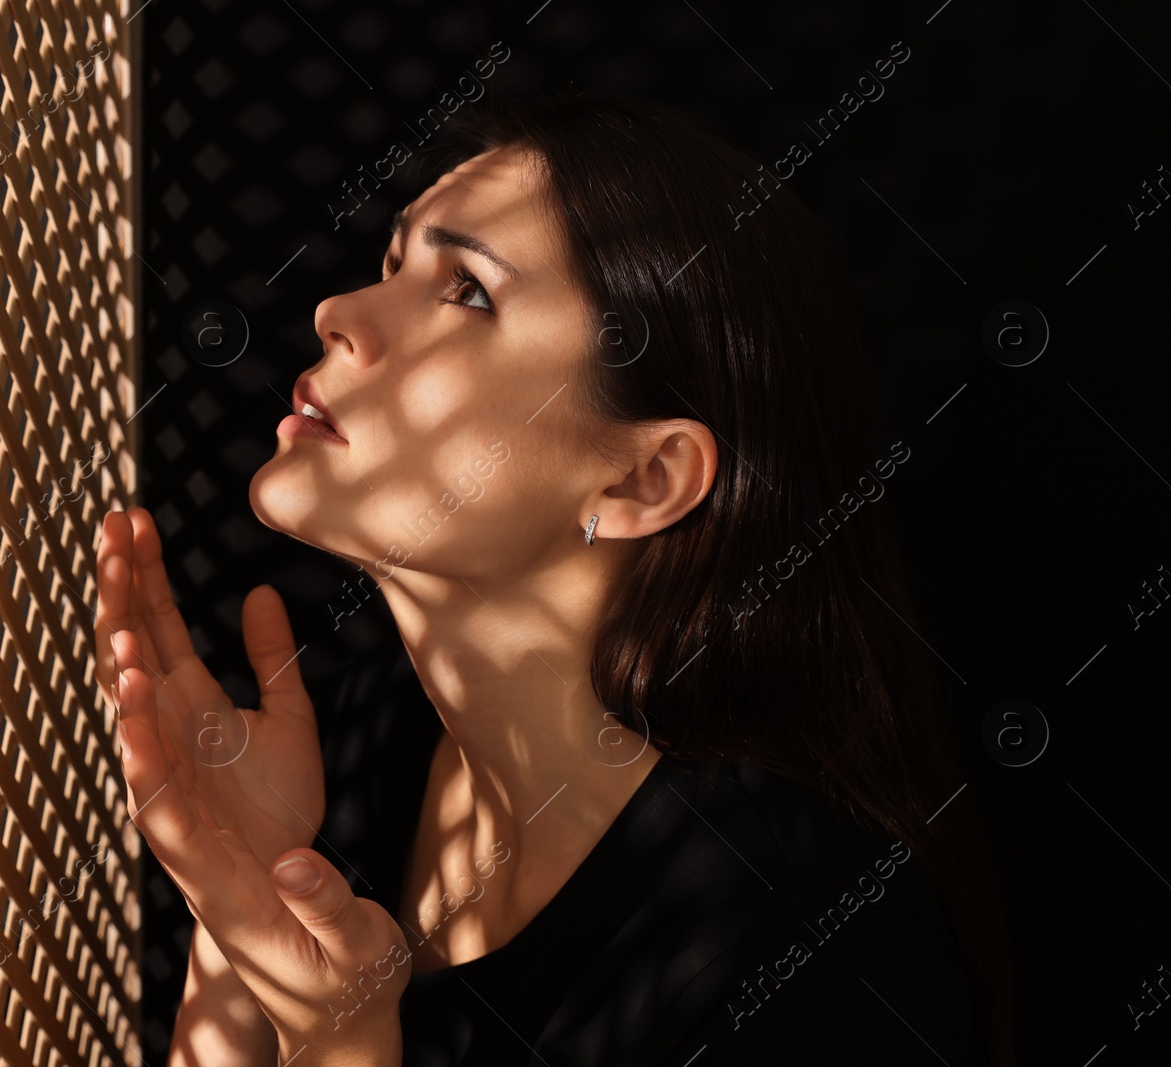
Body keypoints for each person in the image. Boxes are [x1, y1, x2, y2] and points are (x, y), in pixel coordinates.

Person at [96, 92, 1014, 1065]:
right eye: (393, 264)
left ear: (639, 479)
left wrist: (342, 1047)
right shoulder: (358, 747)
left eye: (467, 292)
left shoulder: (807, 953)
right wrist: (240, 898)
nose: (337, 313)